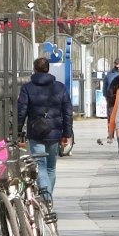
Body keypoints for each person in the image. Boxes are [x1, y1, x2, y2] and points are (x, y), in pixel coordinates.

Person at [17, 57, 73, 202]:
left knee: (40, 167)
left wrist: (17, 131)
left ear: (34, 70)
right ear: (48, 69)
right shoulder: (60, 87)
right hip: (55, 134)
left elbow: (21, 112)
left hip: (36, 133)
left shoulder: (27, 88)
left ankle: (46, 199)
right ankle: (47, 199)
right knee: (50, 168)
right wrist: (67, 133)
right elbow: (67, 112)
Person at [102, 62, 119, 143]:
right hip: (111, 99)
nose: (117, 65)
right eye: (116, 63)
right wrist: (106, 96)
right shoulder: (109, 75)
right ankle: (110, 134)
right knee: (111, 117)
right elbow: (105, 86)